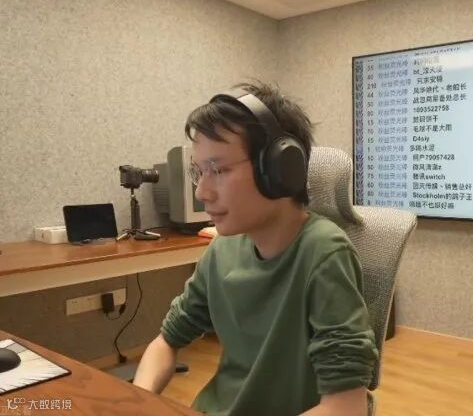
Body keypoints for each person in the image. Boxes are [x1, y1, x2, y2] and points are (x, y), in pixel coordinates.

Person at [133, 81, 378, 415]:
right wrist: (137, 403)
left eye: (218, 170)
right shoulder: (222, 251)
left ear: (279, 169)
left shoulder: (324, 254)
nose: (202, 192)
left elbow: (346, 407)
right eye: (198, 172)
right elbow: (166, 341)